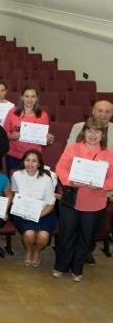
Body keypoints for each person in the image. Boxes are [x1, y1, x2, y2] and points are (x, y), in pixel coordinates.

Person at [53, 118, 113, 282]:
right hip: (71, 200)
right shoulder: (73, 148)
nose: (93, 135)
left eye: (97, 131)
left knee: (86, 238)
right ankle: (61, 266)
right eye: (90, 130)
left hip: (95, 203)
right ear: (84, 132)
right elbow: (60, 168)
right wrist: (70, 181)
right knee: (66, 234)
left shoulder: (108, 154)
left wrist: (101, 185)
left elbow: (112, 178)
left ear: (102, 134)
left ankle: (77, 268)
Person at [10, 149, 57, 267]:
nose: (30, 164)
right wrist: (19, 208)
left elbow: (51, 204)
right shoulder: (16, 175)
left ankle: (37, 251)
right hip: (23, 213)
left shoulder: (46, 179)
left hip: (44, 212)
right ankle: (29, 250)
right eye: (27, 160)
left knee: (43, 236)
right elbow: (14, 193)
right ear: (23, 161)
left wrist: (37, 215)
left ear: (39, 164)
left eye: (34, 161)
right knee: (29, 234)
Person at [3, 85, 54, 175]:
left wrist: (48, 139)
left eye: (33, 96)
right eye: (27, 96)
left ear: (37, 98)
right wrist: (11, 136)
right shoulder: (12, 112)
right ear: (22, 97)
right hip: (13, 155)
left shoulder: (43, 115)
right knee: (13, 182)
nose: (29, 99)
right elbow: (4, 132)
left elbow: (44, 140)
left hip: (33, 158)